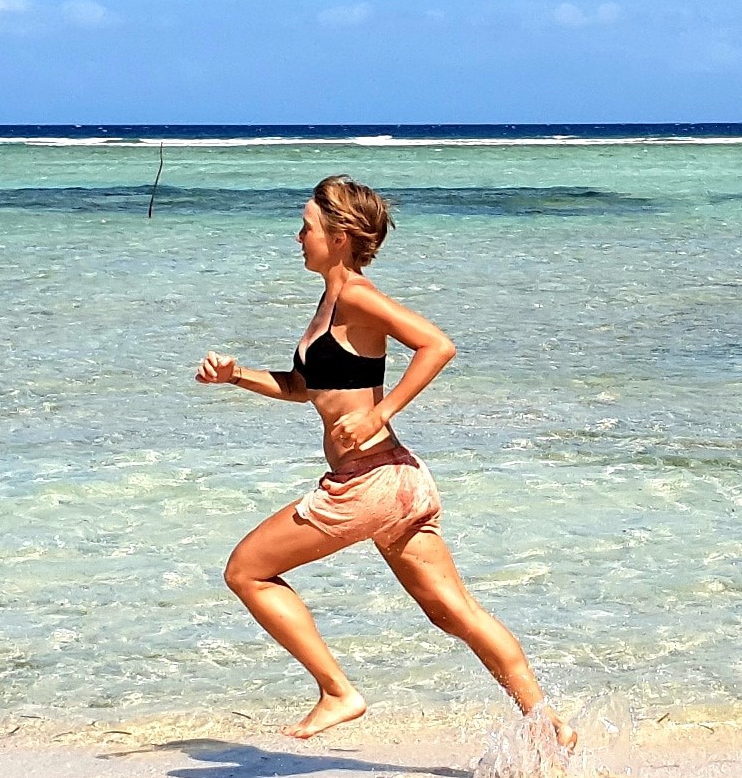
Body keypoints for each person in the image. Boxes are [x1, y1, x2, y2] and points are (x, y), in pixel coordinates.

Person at [195, 176, 573, 746]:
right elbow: (304, 386)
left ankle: (337, 692)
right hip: (398, 479)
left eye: (307, 226)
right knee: (454, 613)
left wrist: (381, 411)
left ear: (340, 236)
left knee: (247, 571)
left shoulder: (356, 296)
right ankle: (546, 724)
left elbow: (437, 345)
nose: (297, 237)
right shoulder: (331, 299)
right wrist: (237, 376)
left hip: (366, 483)